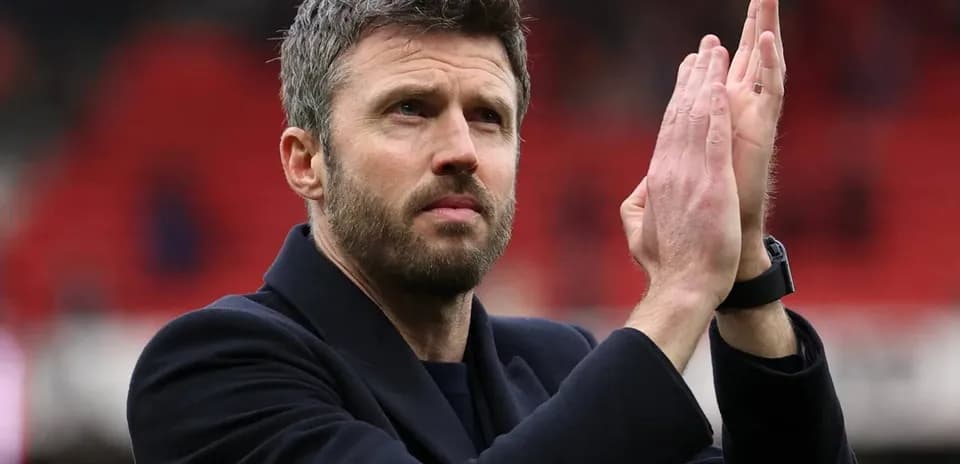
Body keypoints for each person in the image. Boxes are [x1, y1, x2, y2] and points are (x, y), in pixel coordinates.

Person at [127, 0, 857, 462]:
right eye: (410, 109)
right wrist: (679, 292)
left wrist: (744, 285)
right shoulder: (210, 372)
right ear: (307, 160)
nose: (462, 150)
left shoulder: (561, 365)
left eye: (488, 116)